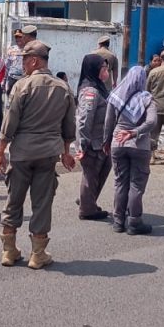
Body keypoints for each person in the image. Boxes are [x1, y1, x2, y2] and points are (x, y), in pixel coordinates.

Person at [0, 40, 76, 269]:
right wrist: (66, 152)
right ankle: (37, 254)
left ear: (34, 61)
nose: (22, 64)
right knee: (42, 203)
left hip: (22, 153)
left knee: (14, 200)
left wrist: (0, 152)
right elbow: (69, 126)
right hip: (48, 154)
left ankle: (9, 251)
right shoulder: (63, 88)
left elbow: (9, 122)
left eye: (24, 59)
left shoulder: (22, 86)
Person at [104, 66, 157, 234]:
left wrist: (106, 142)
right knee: (136, 184)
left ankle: (118, 221)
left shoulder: (115, 96)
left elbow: (108, 123)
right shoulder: (147, 99)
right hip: (139, 146)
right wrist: (135, 132)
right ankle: (134, 222)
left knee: (120, 182)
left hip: (118, 143)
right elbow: (152, 122)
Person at [75, 54, 111, 221]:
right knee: (91, 175)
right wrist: (82, 144)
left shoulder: (100, 88)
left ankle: (87, 200)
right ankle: (87, 209)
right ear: (95, 70)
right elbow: (84, 119)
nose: (107, 72)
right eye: (103, 69)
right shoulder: (90, 91)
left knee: (101, 171)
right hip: (92, 143)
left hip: (101, 142)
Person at [4, 25, 37, 96]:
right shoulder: (11, 49)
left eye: (20, 37)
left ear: (24, 37)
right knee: (10, 99)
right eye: (16, 37)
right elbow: (7, 66)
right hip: (12, 78)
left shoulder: (28, 49)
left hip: (24, 78)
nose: (18, 39)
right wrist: (3, 81)